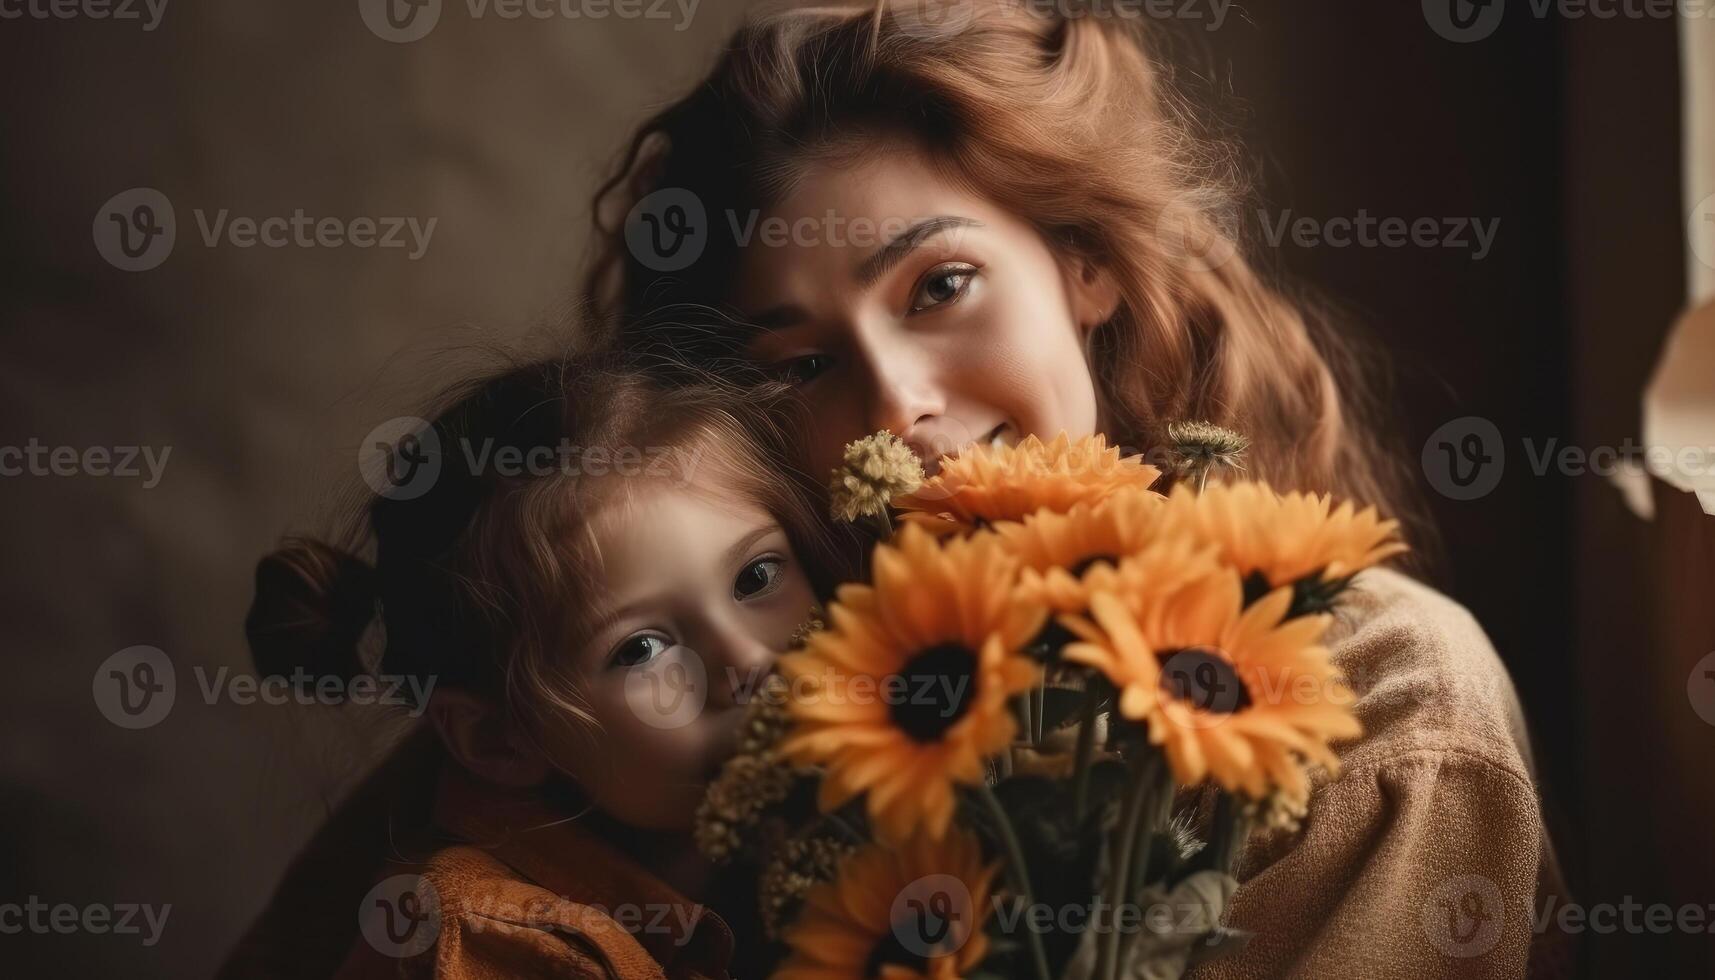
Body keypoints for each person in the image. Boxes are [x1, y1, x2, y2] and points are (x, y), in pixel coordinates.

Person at [585, 2, 1572, 975]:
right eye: (802, 365)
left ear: (1082, 261)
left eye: (939, 286)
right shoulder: (764, 741)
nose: (894, 406)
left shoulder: (1383, 706)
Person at [229, 352, 843, 979]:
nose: (747, 661)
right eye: (641, 649)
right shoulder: (480, 941)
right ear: (498, 740)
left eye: (757, 576)